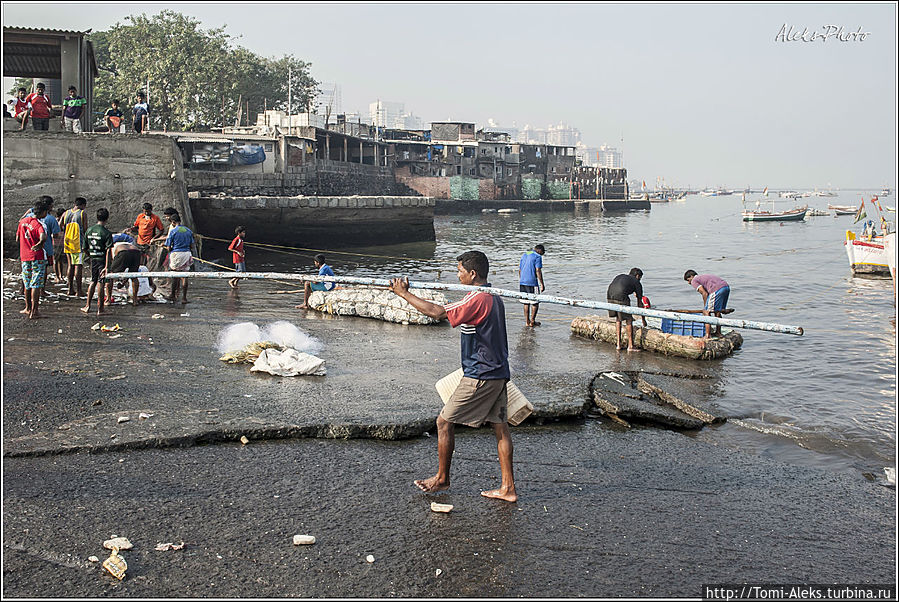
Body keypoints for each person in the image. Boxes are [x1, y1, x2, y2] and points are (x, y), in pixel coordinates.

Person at [388, 251, 517, 502]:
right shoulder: (493, 297)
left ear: (472, 274)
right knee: (501, 429)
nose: (456, 275)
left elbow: (438, 312)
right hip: (497, 371)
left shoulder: (479, 299)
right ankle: (508, 488)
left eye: (459, 271)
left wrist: (403, 293)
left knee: (444, 422)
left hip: (482, 374)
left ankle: (442, 479)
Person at [16, 198, 49, 319]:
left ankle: (27, 308)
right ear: (43, 212)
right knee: (36, 284)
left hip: (25, 257)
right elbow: (43, 236)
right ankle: (34, 311)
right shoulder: (38, 224)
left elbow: (17, 237)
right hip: (36, 256)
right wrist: (40, 243)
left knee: (27, 283)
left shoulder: (22, 222)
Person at [23, 196, 61, 294]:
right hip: (44, 249)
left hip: (27, 249)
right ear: (48, 206)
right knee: (41, 271)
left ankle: (23, 290)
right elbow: (54, 235)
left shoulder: (28, 217)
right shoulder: (50, 219)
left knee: (27, 272)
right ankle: (41, 291)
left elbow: (20, 232)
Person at [81, 208, 114, 315]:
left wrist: (90, 255)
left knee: (93, 281)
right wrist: (107, 266)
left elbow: (84, 248)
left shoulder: (89, 230)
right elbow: (109, 250)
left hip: (93, 259)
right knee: (101, 282)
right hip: (102, 260)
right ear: (107, 219)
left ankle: (87, 306)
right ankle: (100, 308)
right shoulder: (106, 233)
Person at [606, 268, 648, 351]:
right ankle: (631, 346)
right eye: (640, 278)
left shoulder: (622, 276)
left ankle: (618, 345)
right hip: (621, 295)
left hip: (609, 294)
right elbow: (640, 304)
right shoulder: (637, 282)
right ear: (637, 276)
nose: (640, 280)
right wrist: (643, 320)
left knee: (618, 318)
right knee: (629, 319)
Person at [684, 270, 730, 339]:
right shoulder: (702, 277)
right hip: (726, 287)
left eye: (688, 280)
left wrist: (706, 307)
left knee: (706, 312)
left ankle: (707, 335)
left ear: (691, 276)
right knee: (717, 311)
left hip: (716, 289)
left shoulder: (694, 280)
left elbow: (704, 293)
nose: (688, 283)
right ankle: (718, 332)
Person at [164, 212, 195, 304]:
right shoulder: (188, 231)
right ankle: (184, 298)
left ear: (173, 222)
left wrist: (167, 247)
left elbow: (168, 247)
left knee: (175, 275)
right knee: (185, 276)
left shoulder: (173, 231)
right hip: (187, 254)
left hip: (176, 254)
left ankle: (173, 295)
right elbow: (192, 246)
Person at [61, 197, 88, 298]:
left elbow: (60, 225)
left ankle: (70, 289)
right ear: (83, 205)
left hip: (68, 243)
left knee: (70, 265)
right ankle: (79, 291)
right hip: (78, 243)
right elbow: (85, 229)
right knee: (78, 266)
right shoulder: (82, 213)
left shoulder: (66, 213)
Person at [107, 239, 143, 306]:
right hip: (136, 252)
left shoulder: (110, 248)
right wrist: (123, 283)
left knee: (110, 275)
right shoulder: (125, 243)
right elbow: (128, 274)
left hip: (123, 252)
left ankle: (108, 299)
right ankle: (135, 300)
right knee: (133, 276)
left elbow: (110, 264)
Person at [518, 244, 546, 327]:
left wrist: (522, 279)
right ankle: (532, 321)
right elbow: (538, 270)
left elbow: (520, 269)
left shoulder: (525, 254)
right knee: (535, 302)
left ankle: (527, 322)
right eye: (542, 253)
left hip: (523, 281)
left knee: (526, 303)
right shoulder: (538, 257)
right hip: (532, 282)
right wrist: (542, 284)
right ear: (540, 251)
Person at [53, 207, 66, 282]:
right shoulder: (56, 221)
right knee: (56, 260)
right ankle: (57, 276)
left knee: (60, 261)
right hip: (55, 243)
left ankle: (61, 275)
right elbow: (58, 228)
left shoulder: (64, 222)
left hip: (62, 243)